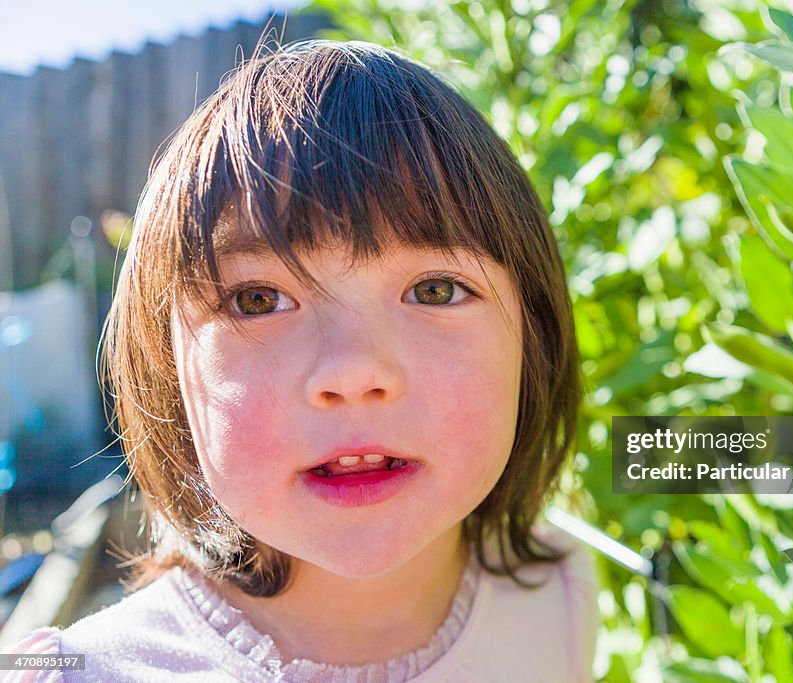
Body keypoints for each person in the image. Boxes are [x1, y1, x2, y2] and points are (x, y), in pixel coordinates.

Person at [5, 39, 598, 682]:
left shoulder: (558, 592)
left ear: (533, 340)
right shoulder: (74, 673)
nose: (353, 372)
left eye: (434, 290)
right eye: (258, 299)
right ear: (165, 369)